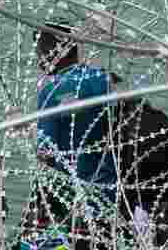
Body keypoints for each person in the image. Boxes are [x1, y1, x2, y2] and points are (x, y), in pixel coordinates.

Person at [30, 24, 117, 248]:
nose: (38, 61)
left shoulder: (51, 89)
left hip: (70, 199)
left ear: (48, 53)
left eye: (39, 52)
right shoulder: (106, 80)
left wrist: (38, 205)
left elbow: (45, 153)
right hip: (109, 195)